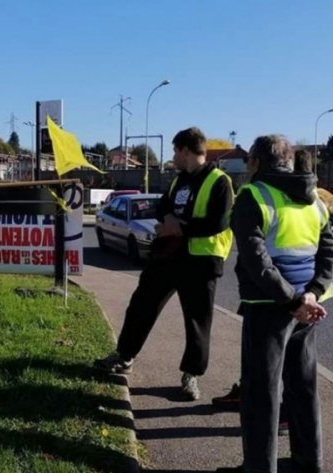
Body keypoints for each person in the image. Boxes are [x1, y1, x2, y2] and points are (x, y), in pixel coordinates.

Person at [215, 135, 333, 473]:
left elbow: (257, 261)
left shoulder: (253, 196)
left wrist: (292, 301)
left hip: (269, 308)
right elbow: (330, 255)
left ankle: (258, 472)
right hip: (307, 310)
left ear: (254, 162)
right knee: (303, 386)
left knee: (261, 389)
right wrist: (311, 295)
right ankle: (309, 462)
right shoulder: (313, 199)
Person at [94, 127, 234, 401]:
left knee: (197, 321)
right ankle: (124, 356)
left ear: (185, 150)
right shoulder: (178, 180)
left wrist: (178, 228)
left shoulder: (220, 181)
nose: (173, 157)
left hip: (201, 261)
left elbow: (219, 222)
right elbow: (162, 206)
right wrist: (168, 218)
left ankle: (191, 375)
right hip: (169, 256)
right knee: (141, 304)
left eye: (175, 151)